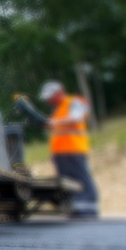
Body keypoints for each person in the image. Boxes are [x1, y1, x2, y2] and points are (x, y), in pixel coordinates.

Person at [39, 81, 99, 219]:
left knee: (81, 179)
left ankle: (89, 209)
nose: (48, 100)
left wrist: (55, 122)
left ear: (59, 93)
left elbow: (76, 118)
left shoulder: (74, 102)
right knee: (68, 182)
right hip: (60, 152)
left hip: (74, 149)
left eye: (50, 97)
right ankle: (76, 208)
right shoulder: (58, 109)